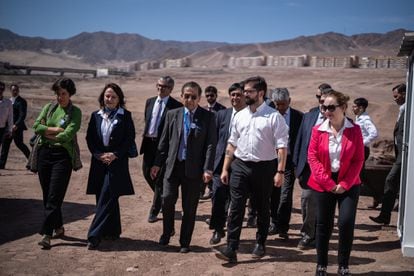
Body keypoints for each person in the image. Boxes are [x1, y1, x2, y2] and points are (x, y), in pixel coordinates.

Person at [215, 76, 289, 263]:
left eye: (248, 91)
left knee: (262, 206)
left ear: (261, 93)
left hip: (264, 168)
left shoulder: (274, 117)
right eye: (244, 91)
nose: (244, 94)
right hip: (239, 166)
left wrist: (280, 172)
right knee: (236, 207)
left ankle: (261, 242)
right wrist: (225, 169)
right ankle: (231, 247)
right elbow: (231, 144)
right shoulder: (239, 115)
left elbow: (281, 147)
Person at [151, 81, 217, 253]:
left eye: (193, 97)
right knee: (166, 200)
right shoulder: (172, 114)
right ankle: (167, 231)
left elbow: (211, 145)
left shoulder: (208, 117)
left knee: (189, 207)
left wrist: (208, 169)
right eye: (186, 96)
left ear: (199, 98)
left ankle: (185, 241)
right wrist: (157, 163)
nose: (189, 100)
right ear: (181, 96)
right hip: (173, 167)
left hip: (194, 170)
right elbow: (164, 141)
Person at [308, 90, 364, 276]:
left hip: (349, 184)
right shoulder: (318, 130)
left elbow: (358, 160)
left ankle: (343, 265)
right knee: (323, 225)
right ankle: (321, 264)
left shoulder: (354, 130)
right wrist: (329, 183)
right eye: (324, 107)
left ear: (344, 107)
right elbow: (313, 158)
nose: (327, 111)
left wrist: (345, 184)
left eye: (331, 107)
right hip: (324, 183)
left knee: (346, 223)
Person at [85, 83, 135, 249]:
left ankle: (94, 234)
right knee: (103, 196)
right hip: (99, 162)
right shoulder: (95, 115)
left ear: (119, 99)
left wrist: (115, 154)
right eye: (107, 96)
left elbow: (129, 139)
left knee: (107, 195)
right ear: (102, 97)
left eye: (113, 96)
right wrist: (98, 154)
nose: (110, 99)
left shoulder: (125, 116)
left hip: (117, 163)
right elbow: (90, 138)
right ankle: (113, 231)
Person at [34, 78, 82, 249]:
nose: (60, 97)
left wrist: (47, 131)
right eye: (58, 94)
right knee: (48, 195)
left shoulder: (75, 112)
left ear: (70, 94)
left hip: (62, 157)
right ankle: (59, 227)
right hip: (44, 154)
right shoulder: (49, 108)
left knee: (54, 196)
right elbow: (36, 126)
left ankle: (47, 234)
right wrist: (54, 130)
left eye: (63, 94)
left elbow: (67, 135)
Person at [293, 84, 331, 250]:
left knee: (322, 204)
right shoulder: (309, 116)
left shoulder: (338, 118)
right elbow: (300, 140)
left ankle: (314, 235)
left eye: (323, 98)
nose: (320, 101)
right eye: (318, 98)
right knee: (306, 201)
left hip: (328, 170)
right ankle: (310, 234)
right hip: (307, 169)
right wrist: (296, 165)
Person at [140, 76, 182, 223]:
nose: (160, 88)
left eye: (164, 86)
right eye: (158, 85)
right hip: (149, 144)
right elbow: (148, 121)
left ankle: (155, 209)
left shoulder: (176, 106)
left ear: (170, 89)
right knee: (146, 173)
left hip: (164, 147)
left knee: (159, 179)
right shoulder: (149, 102)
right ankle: (164, 196)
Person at [209, 82, 246, 245]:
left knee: (236, 200)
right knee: (217, 195)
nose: (235, 98)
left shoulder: (250, 115)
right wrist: (209, 165)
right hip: (220, 164)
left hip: (241, 164)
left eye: (238, 94)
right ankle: (217, 229)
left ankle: (233, 232)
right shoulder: (221, 115)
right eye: (233, 95)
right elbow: (213, 140)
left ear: (244, 96)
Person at [269, 88, 303, 240]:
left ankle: (283, 227)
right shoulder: (268, 115)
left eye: (283, 104)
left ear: (289, 101)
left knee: (285, 195)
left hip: (289, 163)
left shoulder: (299, 117)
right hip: (270, 160)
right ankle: (273, 223)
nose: (280, 108)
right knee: (271, 195)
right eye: (277, 104)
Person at [369, 83, 406, 225]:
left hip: (404, 154)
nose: (394, 99)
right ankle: (385, 215)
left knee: (391, 180)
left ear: (404, 94)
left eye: (396, 96)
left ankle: (385, 215)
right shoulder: (402, 110)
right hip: (400, 154)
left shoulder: (408, 111)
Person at [351, 97, 379, 208]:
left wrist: (361, 143)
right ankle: (377, 195)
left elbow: (374, 133)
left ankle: (377, 195)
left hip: (362, 149)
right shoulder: (359, 118)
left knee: (358, 174)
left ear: (361, 108)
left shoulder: (365, 119)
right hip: (358, 149)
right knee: (360, 174)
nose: (352, 108)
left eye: (355, 106)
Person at [201, 85, 226, 200]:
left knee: (214, 166)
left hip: (217, 143)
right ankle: (203, 189)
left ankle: (212, 189)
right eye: (207, 96)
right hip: (204, 143)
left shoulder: (222, 110)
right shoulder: (203, 109)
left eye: (212, 95)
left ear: (216, 95)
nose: (209, 97)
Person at [0, 84, 31, 169]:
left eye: (16, 90)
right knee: (5, 145)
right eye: (13, 90)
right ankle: (1, 164)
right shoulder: (8, 101)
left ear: (18, 90)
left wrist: (16, 125)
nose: (15, 91)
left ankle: (32, 162)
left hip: (17, 128)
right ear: (10, 90)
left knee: (20, 144)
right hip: (8, 127)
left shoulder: (21, 101)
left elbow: (22, 115)